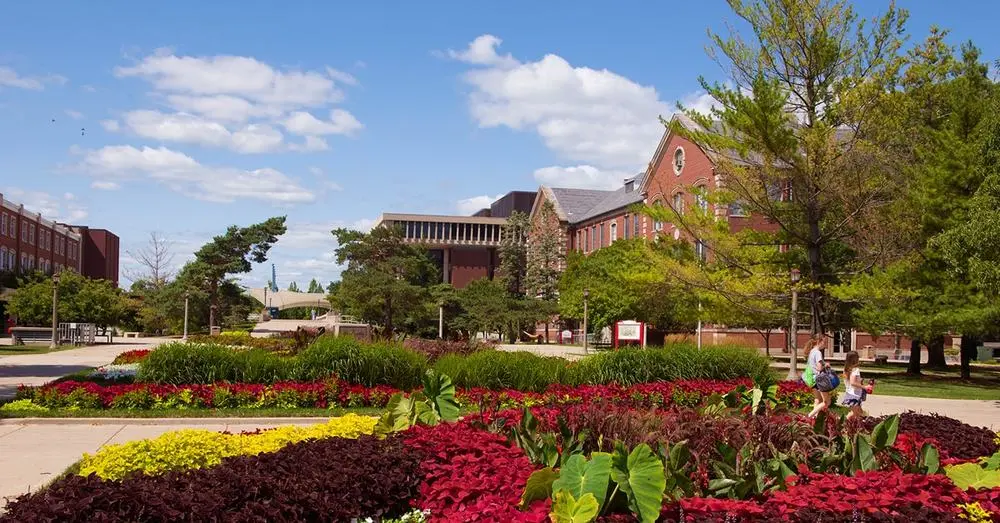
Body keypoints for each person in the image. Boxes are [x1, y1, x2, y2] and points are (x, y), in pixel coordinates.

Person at [805, 334, 832, 418]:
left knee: (817, 400)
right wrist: (826, 365)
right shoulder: (817, 353)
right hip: (819, 380)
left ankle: (814, 419)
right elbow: (819, 368)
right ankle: (809, 416)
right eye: (824, 342)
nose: (825, 344)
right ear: (819, 341)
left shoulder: (812, 351)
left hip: (812, 379)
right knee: (827, 402)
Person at [841, 350, 873, 419]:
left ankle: (857, 427)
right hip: (855, 394)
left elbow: (848, 381)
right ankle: (841, 425)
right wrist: (864, 387)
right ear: (855, 359)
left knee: (858, 413)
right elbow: (852, 382)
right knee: (853, 413)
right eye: (858, 357)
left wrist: (860, 380)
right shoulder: (855, 369)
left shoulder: (846, 369)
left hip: (849, 393)